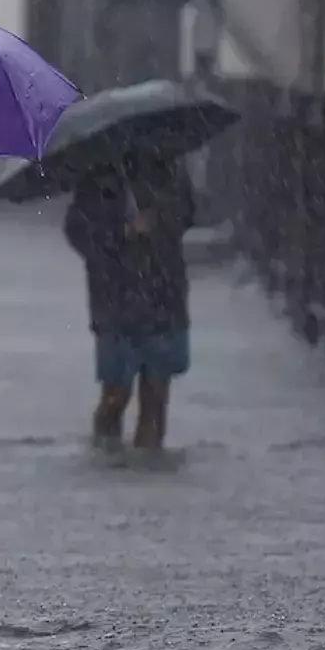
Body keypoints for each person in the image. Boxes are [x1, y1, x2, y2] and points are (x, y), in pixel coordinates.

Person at [64, 153, 194, 452]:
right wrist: (121, 232)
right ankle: (107, 456)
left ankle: (148, 472)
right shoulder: (97, 175)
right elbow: (78, 230)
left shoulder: (171, 167)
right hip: (116, 300)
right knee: (116, 394)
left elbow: (187, 213)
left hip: (164, 295)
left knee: (156, 394)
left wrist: (159, 218)